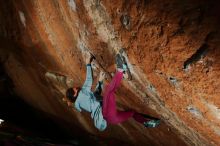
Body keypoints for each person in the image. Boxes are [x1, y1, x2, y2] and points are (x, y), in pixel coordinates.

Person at [66, 51, 160, 131]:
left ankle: (145, 122)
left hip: (111, 119)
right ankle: (120, 70)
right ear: (75, 94)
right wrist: (88, 63)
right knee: (108, 92)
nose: (77, 87)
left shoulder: (82, 102)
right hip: (106, 112)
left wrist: (99, 82)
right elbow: (88, 80)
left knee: (132, 113)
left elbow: (95, 97)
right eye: (74, 88)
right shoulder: (81, 95)